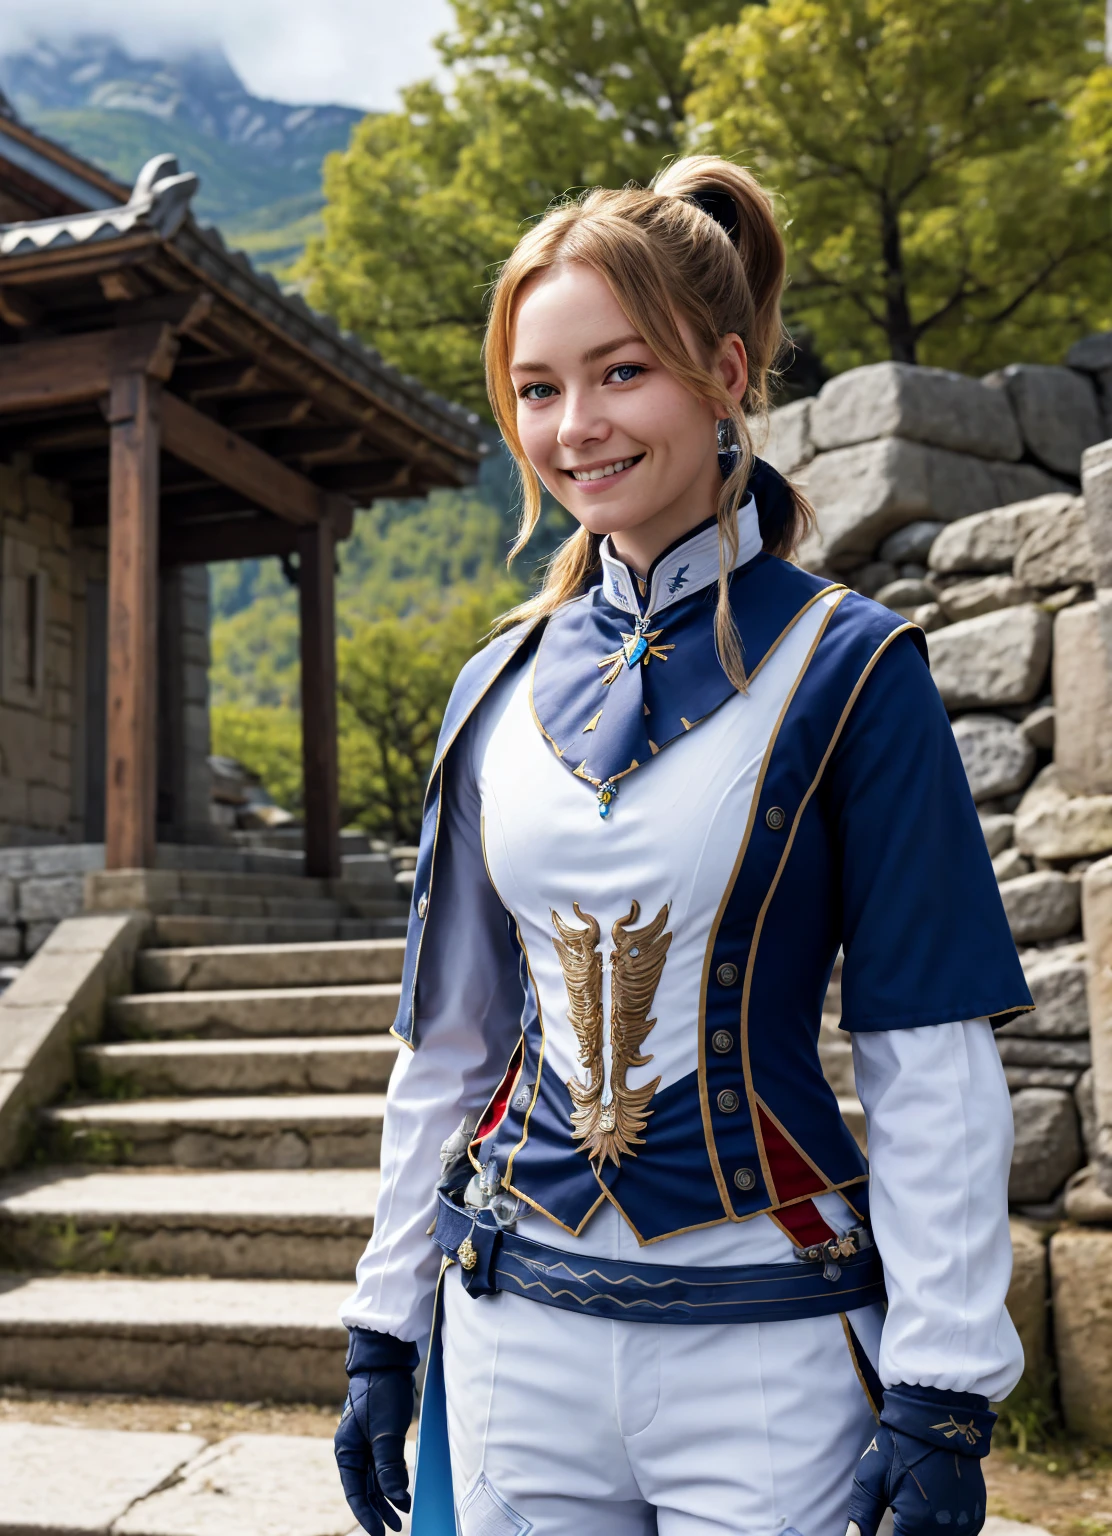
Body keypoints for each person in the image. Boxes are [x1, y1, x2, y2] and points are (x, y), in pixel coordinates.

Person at [333, 155, 1032, 1536]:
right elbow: (452, 1045)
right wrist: (384, 1324)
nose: (575, 426)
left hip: (769, 1350)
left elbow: (929, 1047)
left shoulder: (855, 667)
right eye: (538, 389)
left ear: (723, 372)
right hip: (514, 1334)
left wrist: (942, 1385)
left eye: (621, 374)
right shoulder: (490, 688)